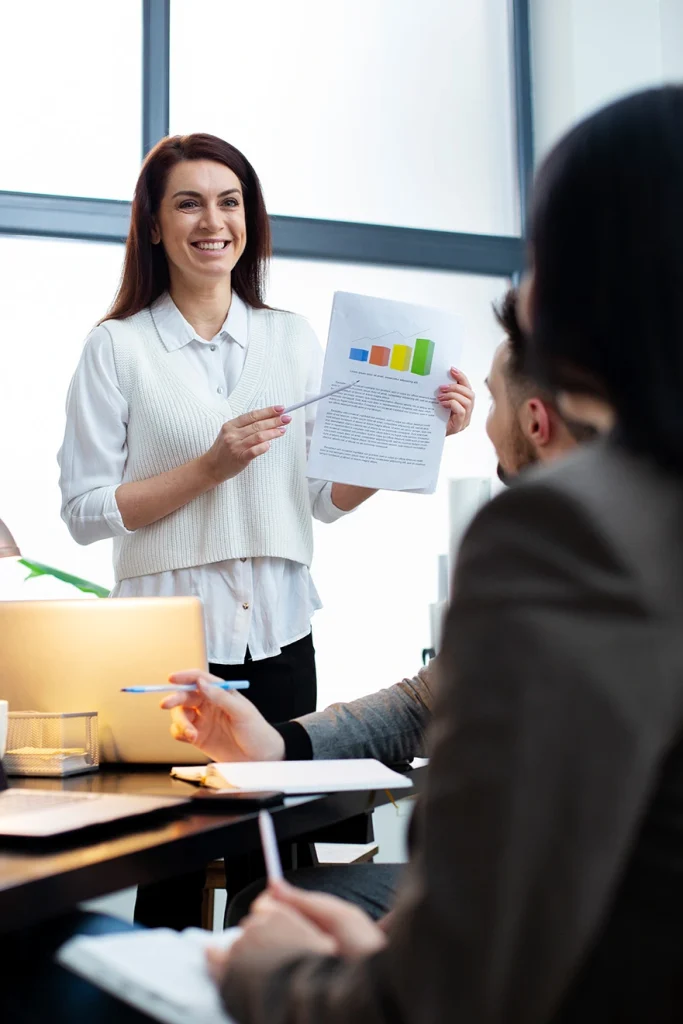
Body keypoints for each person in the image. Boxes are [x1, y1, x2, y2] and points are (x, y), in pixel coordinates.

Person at [211, 86, 683, 1023]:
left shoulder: (572, 529)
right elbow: (438, 698)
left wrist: (273, 970)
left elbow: (435, 1002)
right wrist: (291, 742)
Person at [56, 133, 473, 926]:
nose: (213, 221)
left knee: (281, 859)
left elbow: (318, 496)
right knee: (170, 863)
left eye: (229, 201)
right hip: (166, 647)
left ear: (249, 219)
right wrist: (208, 468)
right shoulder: (116, 348)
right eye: (188, 202)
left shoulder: (290, 339)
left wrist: (422, 437)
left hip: (280, 637)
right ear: (153, 225)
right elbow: (83, 512)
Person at [162, 286, 597, 924]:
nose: (481, 418)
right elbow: (427, 700)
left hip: (556, 894)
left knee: (272, 912)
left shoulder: (543, 553)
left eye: (492, 399)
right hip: (531, 874)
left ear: (535, 423)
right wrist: (276, 743)